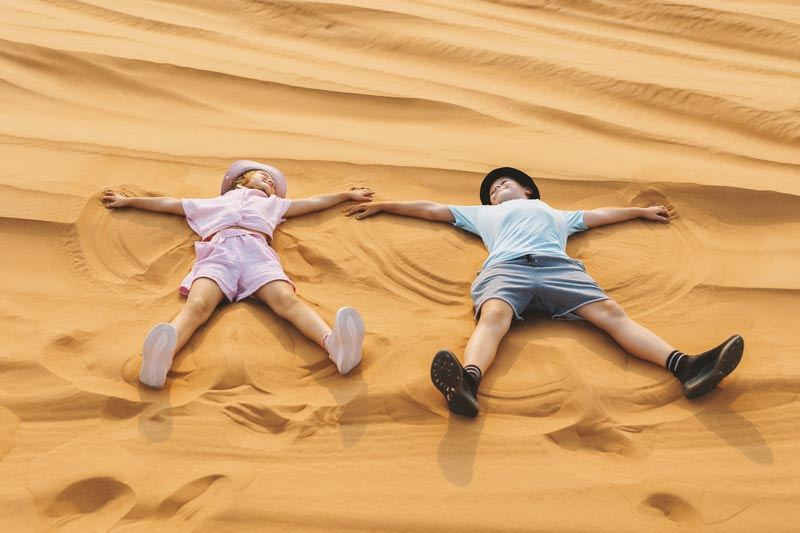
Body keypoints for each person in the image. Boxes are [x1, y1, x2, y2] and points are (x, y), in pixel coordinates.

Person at [345, 167, 744, 417]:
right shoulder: (485, 214)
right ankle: (466, 385)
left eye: (504, 184)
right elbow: (433, 209)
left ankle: (688, 368)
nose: (497, 190)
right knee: (494, 318)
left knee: (610, 314)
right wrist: (386, 206)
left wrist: (638, 212)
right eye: (493, 189)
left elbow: (599, 216)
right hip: (506, 269)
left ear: (529, 191)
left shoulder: (555, 213)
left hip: (559, 269)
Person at [103, 160, 372, 389]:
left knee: (286, 301)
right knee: (198, 305)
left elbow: (314, 202)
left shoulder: (275, 205)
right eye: (262, 176)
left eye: (272, 182)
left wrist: (346, 196)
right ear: (240, 182)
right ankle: (160, 359)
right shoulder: (210, 204)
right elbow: (170, 204)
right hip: (219, 252)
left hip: (257, 253)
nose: (269, 181)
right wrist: (128, 202)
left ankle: (335, 347)